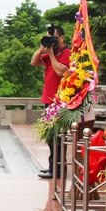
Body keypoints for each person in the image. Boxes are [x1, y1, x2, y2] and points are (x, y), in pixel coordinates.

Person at [30, 25, 70, 179]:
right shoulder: (49, 54)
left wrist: (52, 54)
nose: (52, 40)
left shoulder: (67, 53)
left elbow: (61, 71)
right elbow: (33, 62)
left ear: (61, 38)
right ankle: (52, 167)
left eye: (54, 38)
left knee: (58, 137)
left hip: (60, 103)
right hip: (49, 101)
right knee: (50, 138)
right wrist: (42, 48)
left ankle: (58, 170)